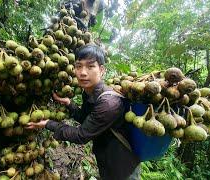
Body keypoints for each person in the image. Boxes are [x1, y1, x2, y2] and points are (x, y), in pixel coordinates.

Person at [26, 44, 141, 180]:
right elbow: (86, 119)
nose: (83, 72)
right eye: (78, 66)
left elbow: (81, 135)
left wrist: (48, 124)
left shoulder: (109, 103)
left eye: (90, 66)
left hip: (123, 168)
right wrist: (69, 104)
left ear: (102, 70)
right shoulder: (89, 93)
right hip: (107, 160)